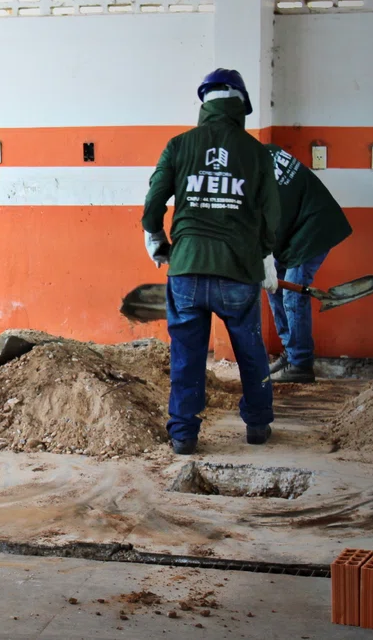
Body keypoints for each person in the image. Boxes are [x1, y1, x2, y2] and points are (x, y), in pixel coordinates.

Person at [141, 69, 282, 455]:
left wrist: (156, 236)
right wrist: (266, 254)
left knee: (187, 355)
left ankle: (184, 434)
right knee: (250, 351)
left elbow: (154, 203)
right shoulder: (256, 153)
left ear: (205, 104)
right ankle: (257, 425)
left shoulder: (179, 145)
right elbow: (271, 214)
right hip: (238, 272)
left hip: (186, 269)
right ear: (241, 107)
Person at [264, 144, 353, 383]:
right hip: (296, 228)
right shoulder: (261, 153)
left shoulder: (255, 170)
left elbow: (270, 223)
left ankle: (301, 364)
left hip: (315, 226)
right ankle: (291, 352)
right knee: (275, 286)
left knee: (292, 293)